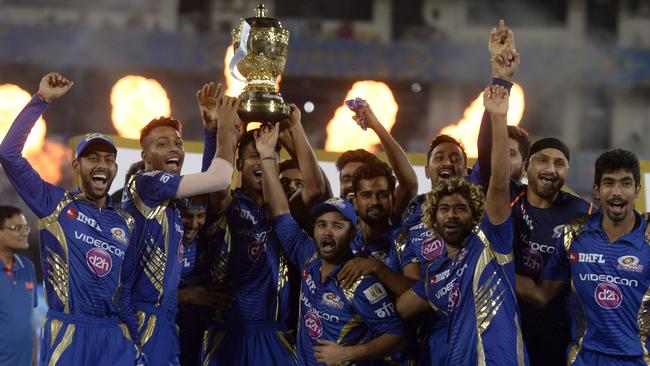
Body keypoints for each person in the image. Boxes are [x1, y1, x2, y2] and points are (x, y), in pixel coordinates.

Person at [0, 73, 139, 365]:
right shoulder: (55, 204)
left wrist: (136, 342)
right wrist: (41, 100)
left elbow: (125, 289)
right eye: (92, 158)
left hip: (114, 336)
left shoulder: (125, 223)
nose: (101, 164)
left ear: (115, 169)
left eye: (108, 160)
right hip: (69, 333)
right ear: (77, 166)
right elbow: (9, 154)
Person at [399, 84, 528, 365]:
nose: (452, 215)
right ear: (434, 219)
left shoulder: (492, 243)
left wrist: (498, 116)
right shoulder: (435, 274)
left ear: (475, 215)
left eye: (460, 209)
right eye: (444, 209)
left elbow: (497, 182)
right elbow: (401, 308)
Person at [257, 123, 406, 365]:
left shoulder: (360, 283)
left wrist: (348, 354)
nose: (327, 231)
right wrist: (266, 155)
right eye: (322, 224)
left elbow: (398, 337)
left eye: (337, 226)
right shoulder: (308, 255)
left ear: (353, 231)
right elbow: (280, 211)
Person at [198, 82, 325, 365]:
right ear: (239, 164)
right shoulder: (227, 205)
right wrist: (221, 132)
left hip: (275, 335)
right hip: (227, 335)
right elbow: (216, 183)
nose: (259, 162)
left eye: (265, 156)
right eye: (253, 155)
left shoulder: (281, 208)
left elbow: (315, 189)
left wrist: (297, 128)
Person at [116, 84, 235, 364]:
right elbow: (219, 178)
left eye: (178, 143)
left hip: (164, 319)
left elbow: (205, 184)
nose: (174, 148)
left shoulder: (166, 199)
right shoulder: (146, 183)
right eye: (162, 144)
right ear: (145, 157)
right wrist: (228, 129)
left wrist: (211, 129)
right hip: (142, 317)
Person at [517, 149, 649, 366]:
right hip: (582, 360)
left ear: (637, 190)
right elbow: (540, 295)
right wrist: (494, 266)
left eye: (625, 183)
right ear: (596, 190)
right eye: (608, 183)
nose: (617, 192)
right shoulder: (574, 234)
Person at [335, 100, 418, 219]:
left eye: (358, 177)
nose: (351, 184)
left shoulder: (384, 213)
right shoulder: (329, 215)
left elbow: (409, 185)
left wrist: (375, 125)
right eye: (346, 178)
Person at [176, 195, 230, 366]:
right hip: (169, 336)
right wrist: (184, 296)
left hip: (202, 339)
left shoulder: (210, 242)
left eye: (200, 215)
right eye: (187, 215)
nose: (193, 224)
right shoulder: (161, 241)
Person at [0, 206, 37, 366]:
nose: (24, 233)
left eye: (25, 227)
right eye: (17, 228)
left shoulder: (28, 267)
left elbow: (30, 321)